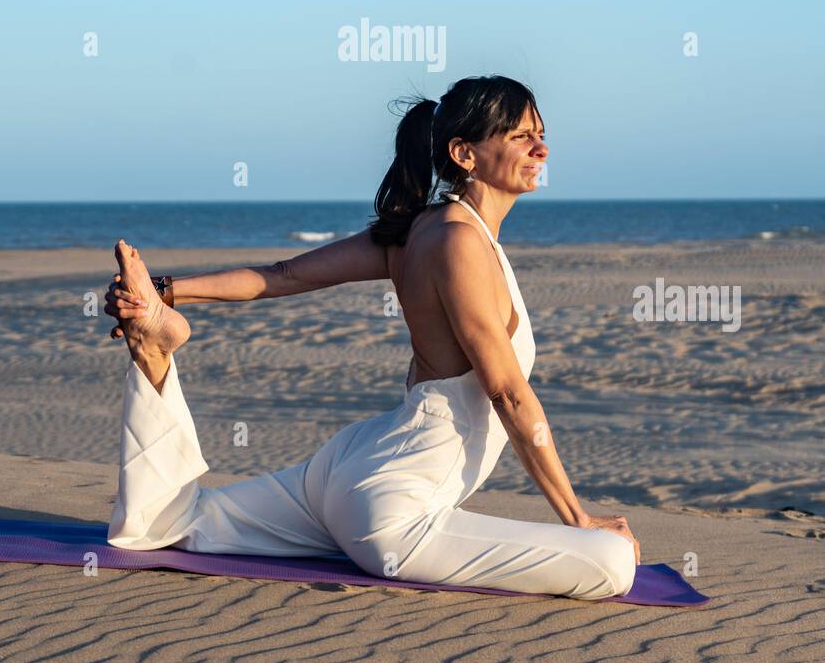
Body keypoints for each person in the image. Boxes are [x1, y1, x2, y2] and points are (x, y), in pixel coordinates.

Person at [104, 73, 640, 599]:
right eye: (521, 136)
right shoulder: (460, 242)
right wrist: (578, 517)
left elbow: (285, 274)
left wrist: (161, 292)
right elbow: (507, 392)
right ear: (464, 153)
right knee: (612, 562)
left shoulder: (418, 229)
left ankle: (154, 348)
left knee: (176, 524)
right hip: (393, 509)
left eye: (540, 134)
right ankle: (155, 342)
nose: (541, 149)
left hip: (344, 469)